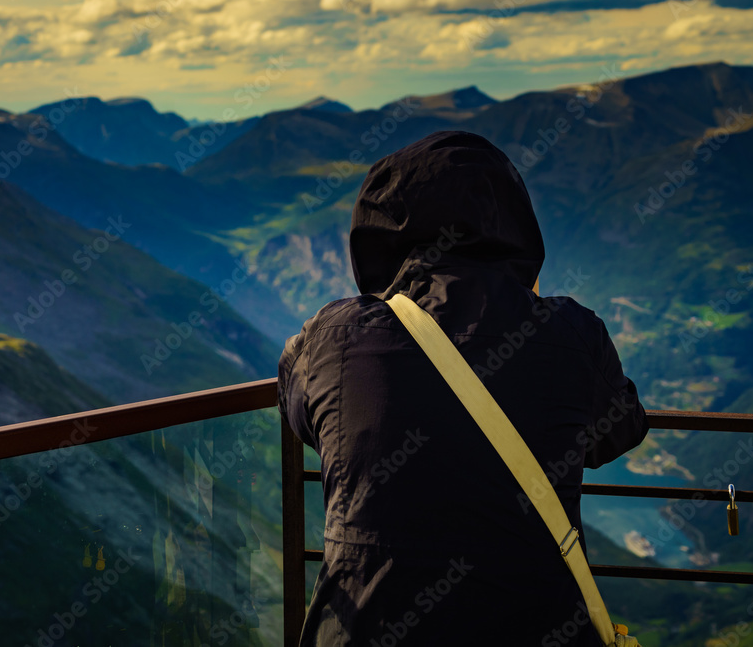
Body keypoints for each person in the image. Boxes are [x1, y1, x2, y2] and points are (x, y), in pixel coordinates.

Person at [277, 130, 650, 646]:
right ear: (515, 224)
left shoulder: (333, 335)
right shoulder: (571, 332)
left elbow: (300, 411)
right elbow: (622, 430)